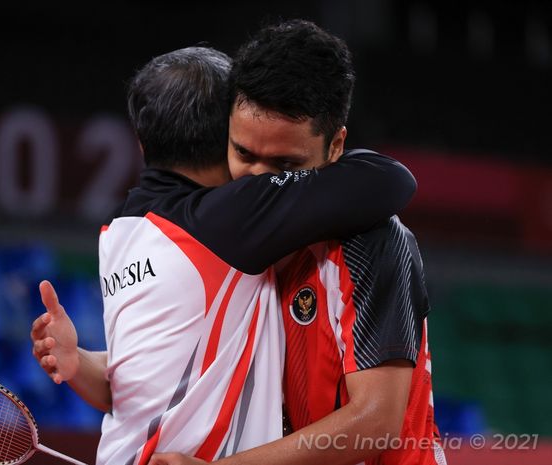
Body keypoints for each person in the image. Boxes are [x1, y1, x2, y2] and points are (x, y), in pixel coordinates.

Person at [31, 46, 415, 465]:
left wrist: (81, 361)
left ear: (141, 143)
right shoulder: (230, 219)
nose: (260, 171)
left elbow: (146, 380)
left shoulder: (117, 231)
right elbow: (392, 181)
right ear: (225, 137)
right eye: (245, 151)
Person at [149, 20, 445, 465]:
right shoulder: (232, 240)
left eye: (286, 164)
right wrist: (85, 360)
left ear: (335, 147)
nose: (259, 182)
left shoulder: (373, 242)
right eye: (244, 154)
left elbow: (377, 420)